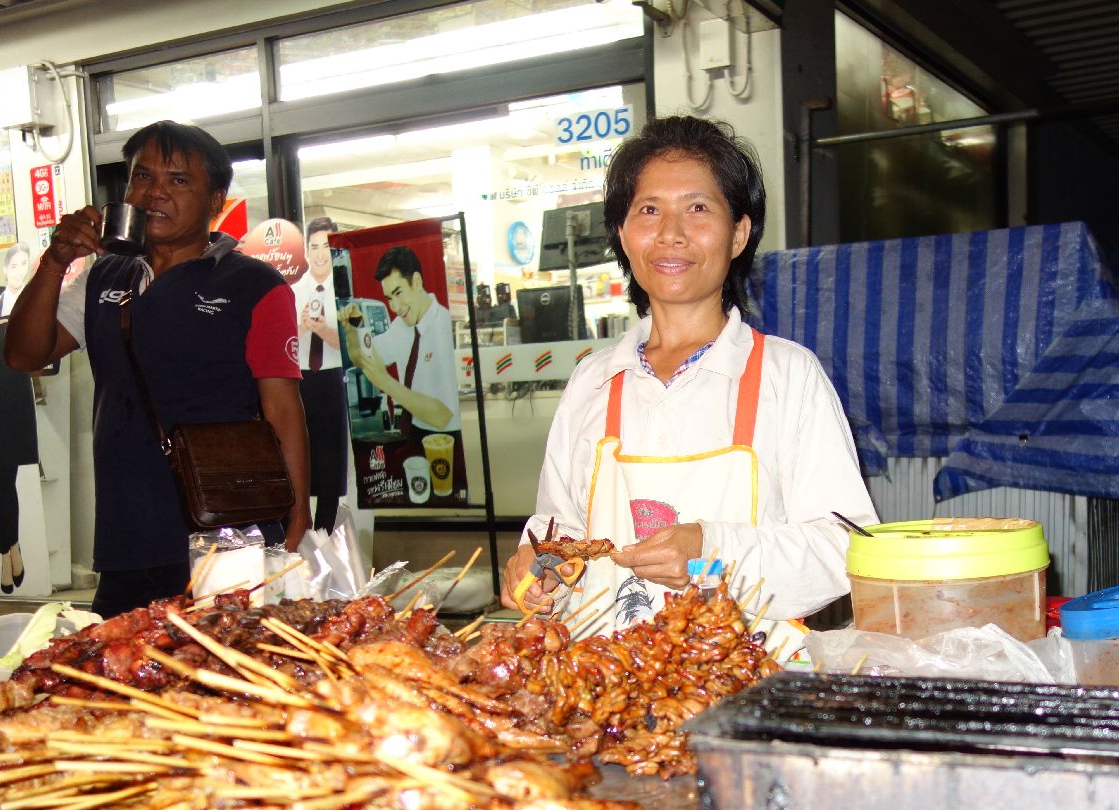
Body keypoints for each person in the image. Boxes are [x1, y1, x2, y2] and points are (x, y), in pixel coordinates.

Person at [502, 115, 878, 638]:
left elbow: (846, 547)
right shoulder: (592, 381)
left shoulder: (788, 376)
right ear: (622, 234)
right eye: (649, 210)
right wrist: (540, 569)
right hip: (604, 677)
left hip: (748, 675)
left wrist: (712, 550)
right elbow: (558, 531)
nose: (671, 234)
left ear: (738, 233)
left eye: (697, 208)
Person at [3, 120, 310, 618]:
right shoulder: (105, 275)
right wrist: (55, 262)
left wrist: (297, 524)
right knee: (120, 659)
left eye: (178, 180)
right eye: (142, 177)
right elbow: (24, 355)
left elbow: (283, 409)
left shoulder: (255, 285)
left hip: (229, 535)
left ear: (216, 200)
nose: (155, 193)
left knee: (224, 660)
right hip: (125, 537)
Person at [343, 245, 459, 439]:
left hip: (446, 439)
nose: (395, 307)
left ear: (417, 281)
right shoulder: (400, 326)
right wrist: (352, 329)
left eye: (398, 293)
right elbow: (363, 359)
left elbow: (443, 416)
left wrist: (385, 382)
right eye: (389, 298)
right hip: (412, 435)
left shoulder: (444, 326)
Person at [0, 242, 38, 594]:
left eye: (24, 264)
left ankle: (9, 551)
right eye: (14, 265)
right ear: (5, 269)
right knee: (1, 479)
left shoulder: (32, 304)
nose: (19, 270)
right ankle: (9, 552)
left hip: (21, 399)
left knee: (10, 479)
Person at [292, 216, 349, 530]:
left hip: (332, 380)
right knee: (298, 456)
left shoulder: (345, 291)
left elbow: (353, 344)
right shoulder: (292, 292)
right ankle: (297, 529)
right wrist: (302, 326)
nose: (319, 254)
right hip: (299, 382)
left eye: (325, 246)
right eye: (313, 247)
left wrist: (324, 330)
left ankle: (325, 530)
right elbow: (282, 342)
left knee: (330, 463)